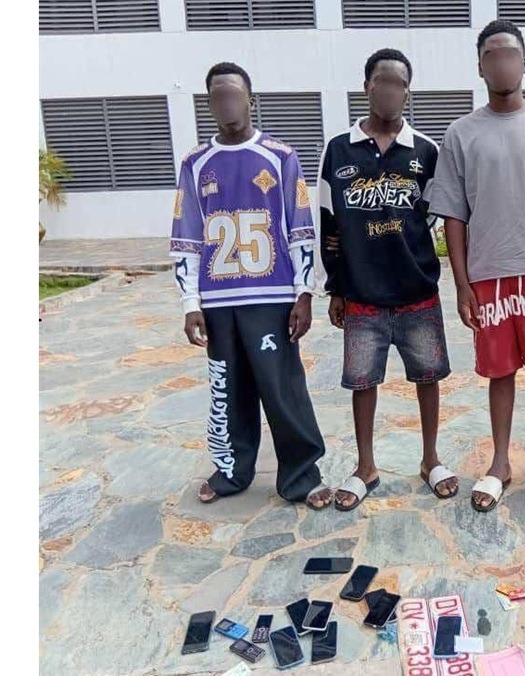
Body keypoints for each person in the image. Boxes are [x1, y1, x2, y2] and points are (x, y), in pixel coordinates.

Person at [425, 20, 525, 516]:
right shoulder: (461, 133)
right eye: (491, 55)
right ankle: (499, 462)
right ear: (480, 66)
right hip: (488, 275)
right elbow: (453, 216)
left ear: (524, 63)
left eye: (510, 54)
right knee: (498, 372)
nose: (502, 63)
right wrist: (462, 285)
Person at [170, 62, 333, 509]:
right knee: (228, 391)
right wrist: (190, 302)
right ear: (209, 104)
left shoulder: (280, 157)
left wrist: (304, 293)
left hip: (271, 297)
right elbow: (186, 236)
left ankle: (301, 475)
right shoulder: (195, 163)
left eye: (234, 95)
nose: (227, 103)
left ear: (251, 101)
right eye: (218, 96)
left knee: (282, 389)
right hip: (218, 301)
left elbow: (301, 228)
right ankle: (231, 471)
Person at [318, 48, 456, 511]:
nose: (390, 90)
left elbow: (434, 216)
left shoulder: (426, 151)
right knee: (362, 382)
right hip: (362, 292)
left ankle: (431, 459)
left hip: (417, 289)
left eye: (399, 83)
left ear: (407, 92)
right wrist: (336, 287)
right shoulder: (339, 149)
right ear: (367, 86)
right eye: (382, 81)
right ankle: (365, 467)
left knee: (428, 376)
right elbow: (330, 222)